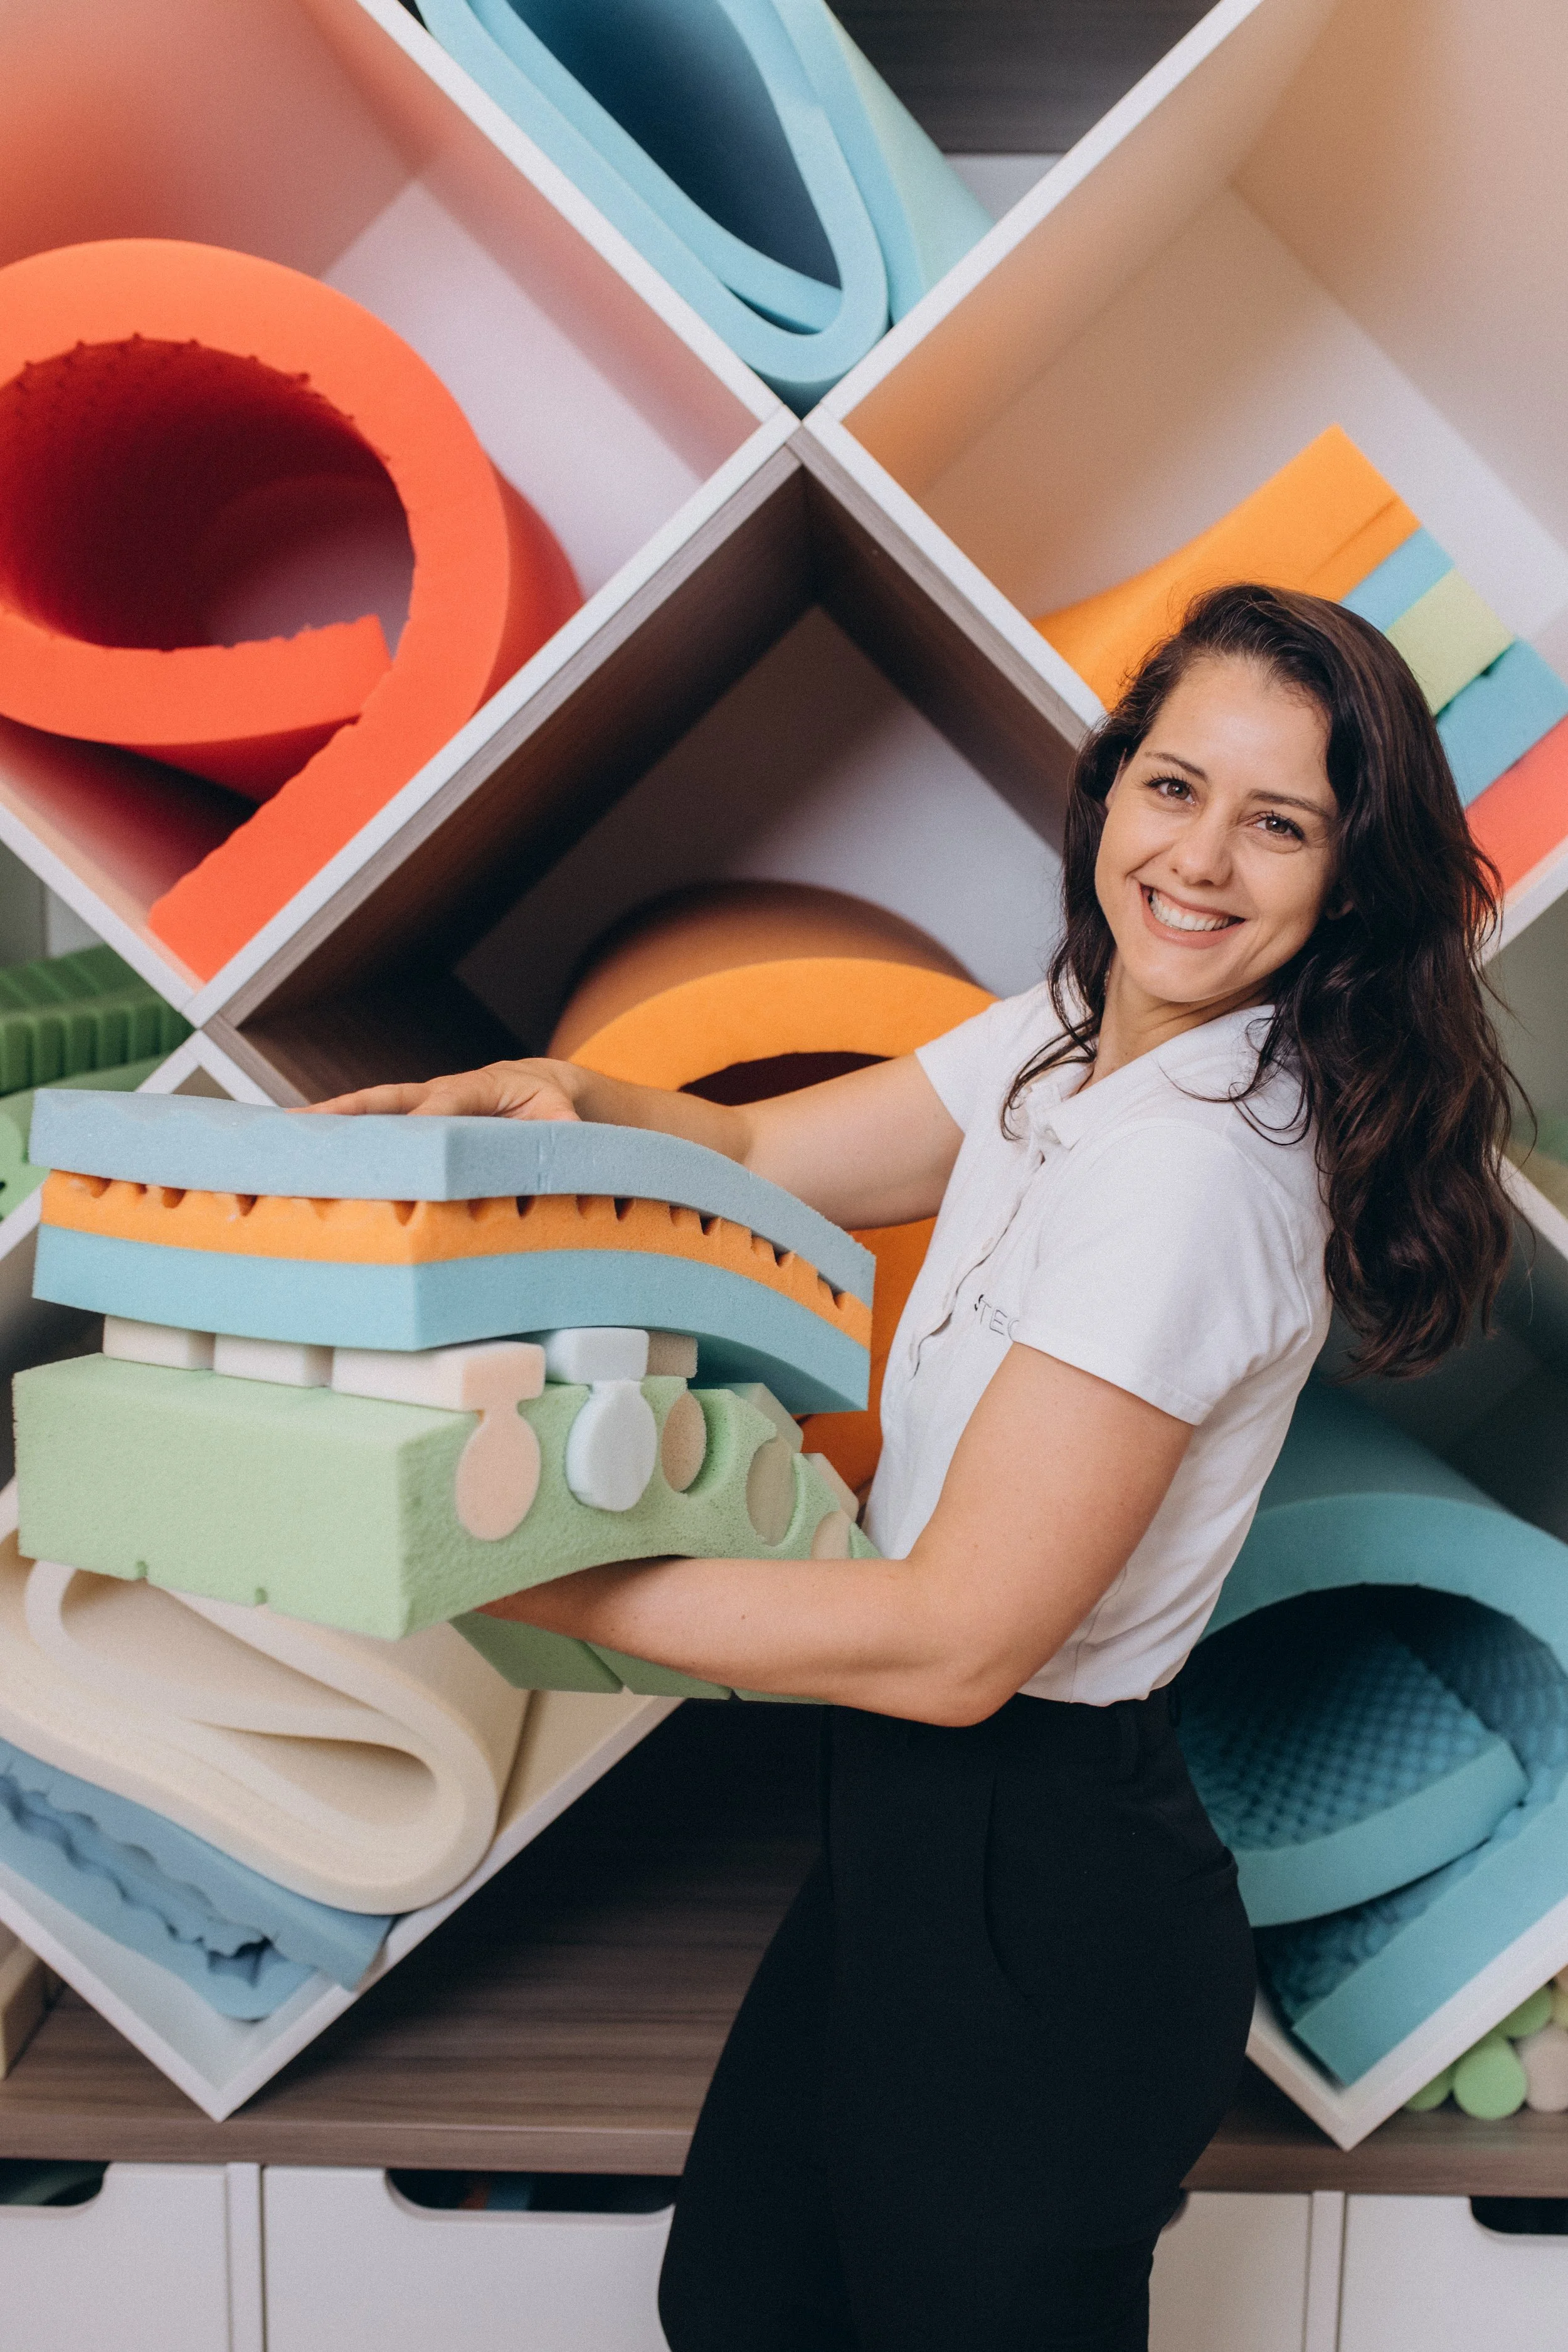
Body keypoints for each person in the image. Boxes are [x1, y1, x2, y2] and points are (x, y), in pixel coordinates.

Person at [315, 583, 1518, 2350]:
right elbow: (754, 1144)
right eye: (1171, 786)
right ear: (1107, 788)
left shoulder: (1188, 1181)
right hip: (916, 1844)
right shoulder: (1083, 1026)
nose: (1201, 857)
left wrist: (523, 1579)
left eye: (1281, 824)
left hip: (1046, 1892)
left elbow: (958, 1642)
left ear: (1346, 882)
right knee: (741, 2294)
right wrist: (544, 1090)